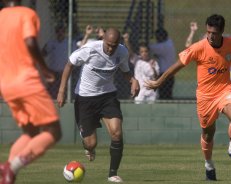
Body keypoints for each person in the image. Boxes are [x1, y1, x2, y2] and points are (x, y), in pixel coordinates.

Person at [145, 14, 231, 181]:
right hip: (205, 97)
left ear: (221, 32)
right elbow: (177, 66)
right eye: (208, 31)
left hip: (224, 90)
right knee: (208, 135)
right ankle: (209, 165)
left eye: (214, 33)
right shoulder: (198, 47)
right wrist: (159, 81)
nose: (210, 35)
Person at [57, 28, 140, 183]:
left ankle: (112, 174)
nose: (110, 48)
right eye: (108, 45)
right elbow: (69, 64)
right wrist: (61, 91)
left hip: (107, 96)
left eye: (114, 45)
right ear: (103, 40)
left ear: (118, 44)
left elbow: (125, 71)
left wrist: (133, 80)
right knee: (91, 143)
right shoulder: (89, 49)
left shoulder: (122, 52)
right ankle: (88, 148)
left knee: (116, 133)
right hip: (85, 99)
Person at [0, 0, 62, 184]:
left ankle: (5, 176)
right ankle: (11, 168)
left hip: (6, 84)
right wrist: (44, 68)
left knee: (31, 132)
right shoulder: (26, 13)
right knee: (53, 131)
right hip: (26, 81)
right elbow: (29, 41)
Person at [42, 23, 77, 99]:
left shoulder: (69, 43)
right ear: (56, 32)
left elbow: (77, 52)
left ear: (64, 32)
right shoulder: (51, 43)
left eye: (62, 31)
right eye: (58, 31)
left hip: (64, 72)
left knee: (64, 92)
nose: (60, 33)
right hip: (53, 73)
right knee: (52, 93)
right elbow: (43, 53)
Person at [149, 28, 176, 99]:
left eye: (157, 37)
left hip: (165, 73)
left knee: (164, 95)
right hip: (169, 73)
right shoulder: (169, 42)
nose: (157, 39)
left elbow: (150, 47)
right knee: (166, 94)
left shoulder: (165, 46)